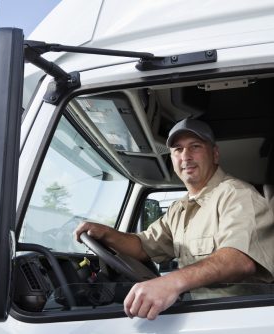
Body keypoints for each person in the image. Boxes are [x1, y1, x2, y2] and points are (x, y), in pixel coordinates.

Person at [74, 118, 274, 320]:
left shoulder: (237, 194)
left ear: (214, 154)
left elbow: (239, 260)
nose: (185, 156)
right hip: (197, 314)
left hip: (237, 319)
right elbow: (143, 246)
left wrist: (171, 282)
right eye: (178, 149)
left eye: (195, 147)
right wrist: (106, 234)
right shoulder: (178, 209)